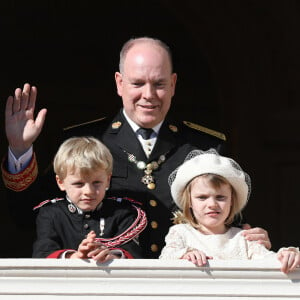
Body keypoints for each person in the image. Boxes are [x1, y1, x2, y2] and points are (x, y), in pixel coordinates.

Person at [2, 37, 270, 258]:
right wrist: (20, 150)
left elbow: (226, 222)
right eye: (138, 83)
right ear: (119, 83)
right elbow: (28, 216)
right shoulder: (87, 142)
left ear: (174, 84)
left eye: (159, 84)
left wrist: (247, 238)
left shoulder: (204, 146)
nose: (149, 95)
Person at [159, 149, 300, 274]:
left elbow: (269, 261)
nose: (212, 204)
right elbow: (165, 258)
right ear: (189, 202)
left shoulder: (244, 238)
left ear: (232, 200)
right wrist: (185, 254)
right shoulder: (180, 233)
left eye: (220, 197)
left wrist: (288, 255)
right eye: (202, 197)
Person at [33, 136, 146, 260]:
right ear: (61, 182)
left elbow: (134, 256)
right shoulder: (51, 214)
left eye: (96, 182)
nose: (88, 191)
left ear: (108, 180)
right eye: (78, 184)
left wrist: (111, 257)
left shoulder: (123, 213)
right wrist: (75, 257)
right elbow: (43, 255)